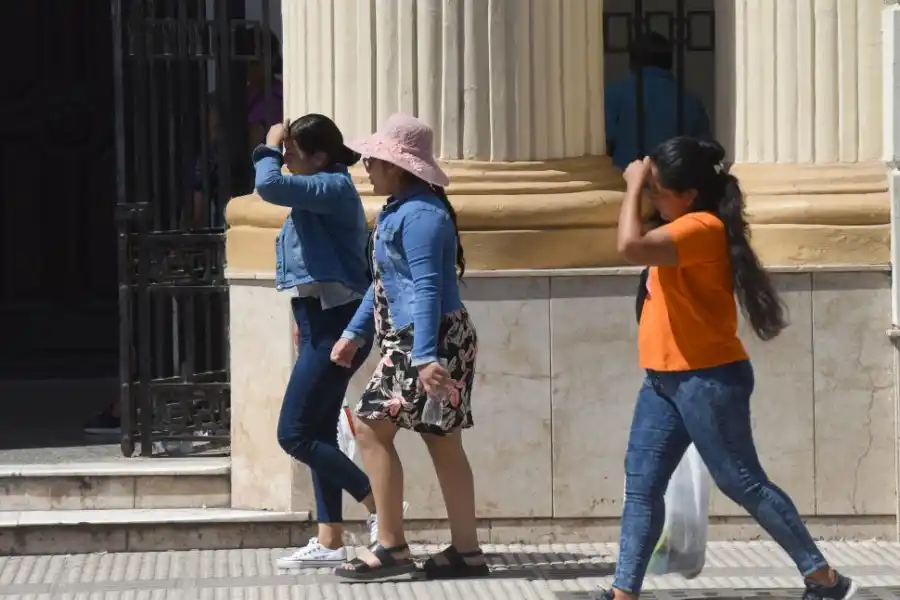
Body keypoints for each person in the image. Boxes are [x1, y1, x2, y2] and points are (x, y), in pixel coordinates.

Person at [602, 136, 857, 600]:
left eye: (660, 189)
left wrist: (633, 183)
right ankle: (624, 593)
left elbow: (629, 245)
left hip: (708, 380)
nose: (653, 197)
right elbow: (639, 241)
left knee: (742, 482)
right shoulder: (679, 225)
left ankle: (822, 577)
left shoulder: (700, 228)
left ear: (689, 195)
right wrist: (645, 190)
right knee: (641, 487)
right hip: (662, 380)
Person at [329, 114, 485, 581]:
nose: (366, 167)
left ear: (398, 167)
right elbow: (383, 284)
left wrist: (423, 357)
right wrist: (355, 333)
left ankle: (393, 546)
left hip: (428, 338)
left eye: (373, 160)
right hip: (427, 338)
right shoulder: (402, 209)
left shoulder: (419, 215)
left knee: (372, 429)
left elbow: (428, 287)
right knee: (441, 439)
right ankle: (466, 552)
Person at [253, 114, 384, 568]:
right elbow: (308, 264)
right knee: (320, 431)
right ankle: (329, 538)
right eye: (283, 152)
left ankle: (380, 506)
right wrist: (300, 315)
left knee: (294, 433)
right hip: (319, 321)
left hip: (339, 325)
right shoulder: (316, 190)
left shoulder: (331, 186)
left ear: (321, 156)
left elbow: (267, 187)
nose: (284, 160)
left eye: (291, 152)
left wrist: (267, 147)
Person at [605, 32, 711, 170]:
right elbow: (702, 149)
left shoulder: (613, 94)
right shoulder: (691, 100)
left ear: (632, 62)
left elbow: (607, 141)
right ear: (670, 62)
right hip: (674, 184)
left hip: (625, 181)